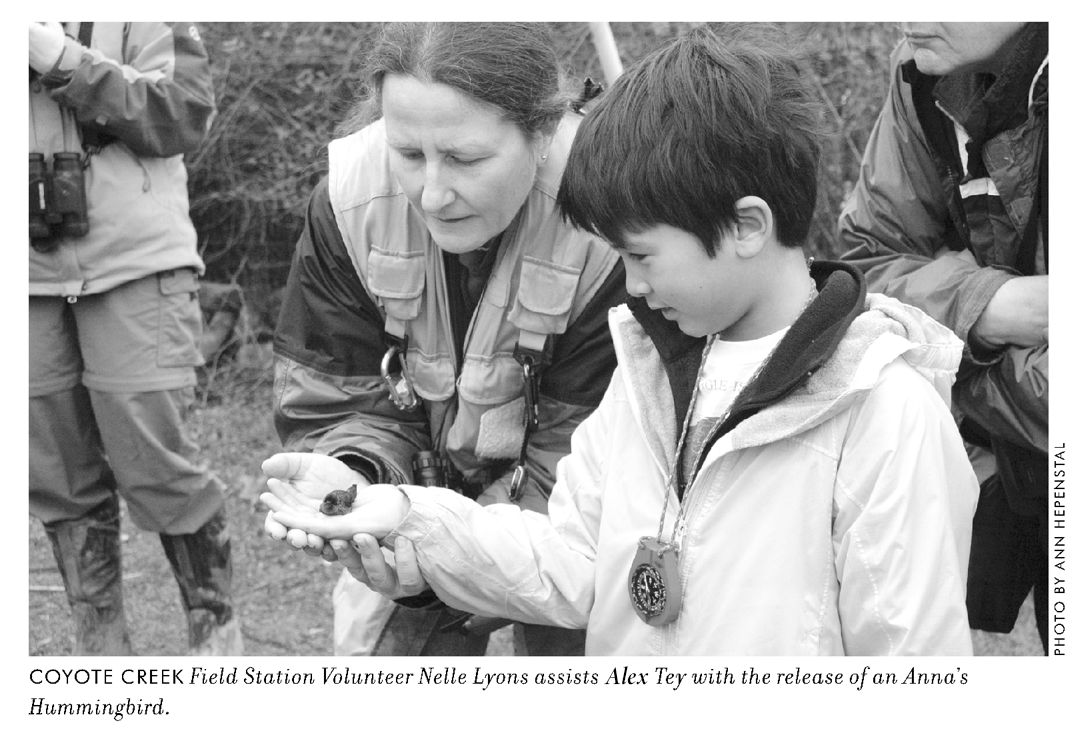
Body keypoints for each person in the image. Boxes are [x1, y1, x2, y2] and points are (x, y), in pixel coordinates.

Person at [263, 23, 979, 655]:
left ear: (747, 225)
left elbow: (912, 661)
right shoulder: (645, 375)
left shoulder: (886, 420)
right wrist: (406, 515)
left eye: (638, 257)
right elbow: (572, 560)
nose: (630, 289)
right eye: (408, 155)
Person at [262, 22, 624, 656]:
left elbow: (586, 464)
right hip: (403, 505)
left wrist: (460, 555)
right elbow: (339, 396)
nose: (432, 193)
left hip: (566, 529)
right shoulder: (350, 202)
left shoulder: (613, 221)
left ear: (541, 132)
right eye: (407, 154)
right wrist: (358, 477)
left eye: (464, 158)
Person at [29, 22, 242, 656]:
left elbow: (182, 114)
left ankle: (217, 647)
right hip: (25, 279)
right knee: (55, 472)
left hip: (138, 265)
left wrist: (61, 59)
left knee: (158, 461)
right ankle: (101, 658)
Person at [839, 23, 1048, 652]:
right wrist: (988, 307)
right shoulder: (924, 80)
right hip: (1028, 477)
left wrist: (936, 357)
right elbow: (866, 268)